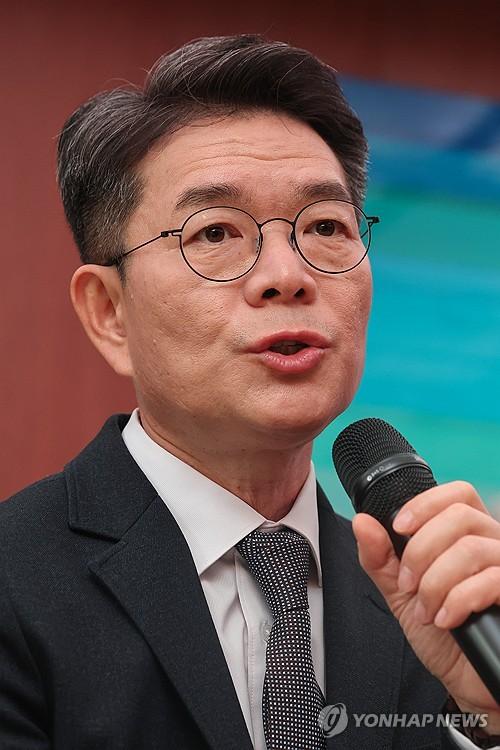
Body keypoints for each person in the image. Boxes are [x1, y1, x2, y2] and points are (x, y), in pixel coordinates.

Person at [0, 34, 499, 750]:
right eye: (215, 234)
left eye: (324, 226)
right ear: (109, 312)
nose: (287, 275)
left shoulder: (435, 600)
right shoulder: (15, 580)